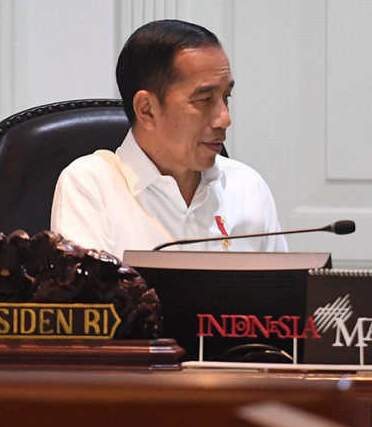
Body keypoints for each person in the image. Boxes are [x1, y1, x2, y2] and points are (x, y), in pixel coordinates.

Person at [50, 19, 288, 256]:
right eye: (204, 100)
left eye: (226, 97)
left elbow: (284, 292)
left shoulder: (247, 187)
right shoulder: (91, 187)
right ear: (147, 110)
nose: (224, 119)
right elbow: (88, 294)